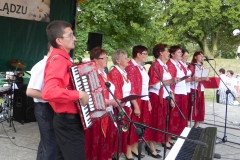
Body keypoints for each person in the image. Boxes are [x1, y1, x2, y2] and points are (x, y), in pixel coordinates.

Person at [42, 20, 89, 160]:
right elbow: (48, 92)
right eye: (70, 35)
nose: (74, 38)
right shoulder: (59, 60)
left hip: (66, 120)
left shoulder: (63, 59)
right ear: (59, 40)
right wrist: (79, 94)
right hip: (68, 122)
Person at [84, 47, 118, 160]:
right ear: (95, 60)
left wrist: (117, 101)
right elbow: (92, 96)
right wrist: (109, 102)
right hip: (97, 116)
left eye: (106, 57)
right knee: (97, 144)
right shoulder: (92, 74)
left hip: (108, 112)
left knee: (106, 143)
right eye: (103, 58)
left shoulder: (105, 74)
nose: (106, 59)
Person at [26, 43, 56, 160]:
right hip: (44, 108)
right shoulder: (41, 66)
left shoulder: (52, 65)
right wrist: (55, 96)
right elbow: (30, 92)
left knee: (46, 144)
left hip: (49, 107)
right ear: (52, 49)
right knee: (50, 145)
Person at [148, 43, 177, 157]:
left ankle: (159, 141)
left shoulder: (164, 66)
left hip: (165, 96)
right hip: (156, 97)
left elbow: (168, 84)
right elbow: (154, 84)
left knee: (163, 121)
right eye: (167, 51)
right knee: (155, 122)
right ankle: (151, 146)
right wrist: (170, 81)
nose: (169, 53)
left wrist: (171, 96)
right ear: (161, 53)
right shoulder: (155, 65)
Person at [108, 49, 138, 159]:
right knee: (118, 132)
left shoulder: (123, 72)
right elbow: (117, 93)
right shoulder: (115, 73)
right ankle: (115, 155)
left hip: (126, 106)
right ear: (118, 61)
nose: (128, 60)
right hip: (119, 108)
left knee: (123, 132)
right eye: (125, 58)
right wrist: (122, 109)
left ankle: (120, 153)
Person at [125, 45, 152, 159]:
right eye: (145, 53)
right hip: (136, 100)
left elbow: (145, 87)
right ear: (138, 54)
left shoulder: (142, 67)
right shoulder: (131, 67)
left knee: (141, 125)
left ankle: (135, 147)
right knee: (133, 125)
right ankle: (128, 150)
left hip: (144, 99)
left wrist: (149, 101)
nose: (146, 56)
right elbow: (131, 89)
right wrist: (135, 105)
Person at [188, 51, 209, 128]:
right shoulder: (192, 66)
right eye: (200, 55)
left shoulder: (202, 67)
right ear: (195, 57)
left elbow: (203, 77)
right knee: (192, 107)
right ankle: (187, 126)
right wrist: (202, 78)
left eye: (202, 56)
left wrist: (206, 79)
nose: (202, 57)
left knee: (200, 107)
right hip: (193, 88)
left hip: (201, 89)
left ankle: (196, 126)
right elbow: (190, 78)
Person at [180, 49, 193, 121]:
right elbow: (181, 79)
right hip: (182, 90)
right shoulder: (180, 66)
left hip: (187, 89)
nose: (187, 58)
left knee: (187, 110)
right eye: (185, 56)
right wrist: (192, 79)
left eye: (187, 56)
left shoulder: (185, 65)